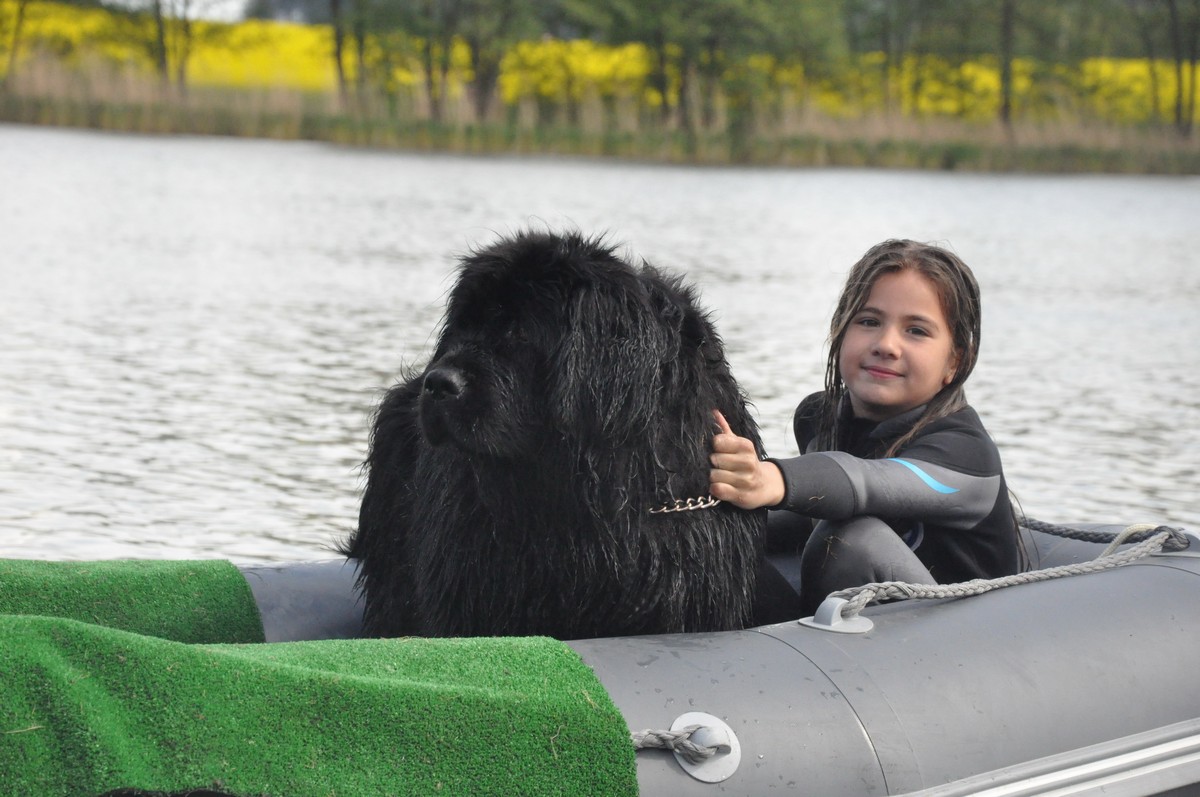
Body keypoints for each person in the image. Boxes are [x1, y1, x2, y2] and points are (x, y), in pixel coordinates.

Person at [709, 239, 1022, 620]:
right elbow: (811, 514)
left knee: (852, 540)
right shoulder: (817, 418)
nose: (886, 345)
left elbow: (867, 482)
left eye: (916, 331)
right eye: (869, 321)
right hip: (859, 619)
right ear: (839, 331)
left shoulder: (966, 455)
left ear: (955, 362)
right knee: (725, 528)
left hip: (964, 635)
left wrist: (769, 477)